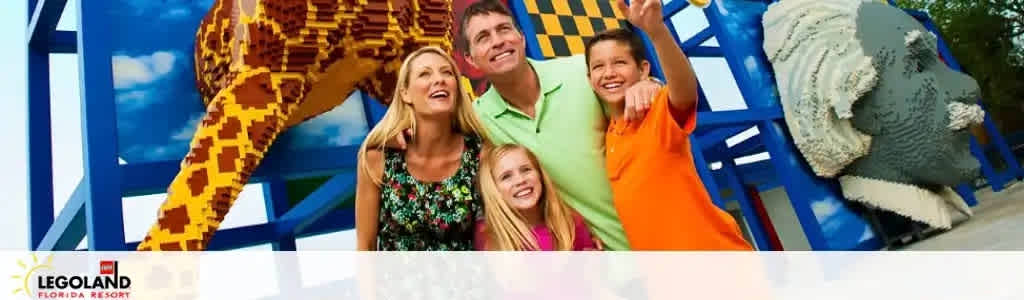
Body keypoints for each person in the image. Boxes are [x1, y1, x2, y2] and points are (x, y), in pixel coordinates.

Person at [451, 0, 663, 251]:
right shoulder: (478, 119)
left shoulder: (579, 71)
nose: (498, 41)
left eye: (504, 29)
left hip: (664, 236)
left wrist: (650, 84)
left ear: (521, 37)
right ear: (470, 59)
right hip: (604, 263)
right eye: (483, 37)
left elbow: (645, 106)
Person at [584, 0, 750, 250]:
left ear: (643, 70)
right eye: (598, 66)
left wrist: (657, 31)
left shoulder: (655, 112)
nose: (608, 73)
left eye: (619, 63)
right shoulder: (609, 133)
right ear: (589, 78)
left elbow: (683, 91)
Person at [354, 46, 491, 251]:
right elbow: (365, 246)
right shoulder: (377, 159)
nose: (439, 79)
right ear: (405, 93)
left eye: (447, 72)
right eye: (425, 74)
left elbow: (495, 235)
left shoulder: (480, 155)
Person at [474, 144, 599, 251]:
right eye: (506, 176)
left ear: (540, 175)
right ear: (494, 189)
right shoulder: (488, 238)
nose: (520, 180)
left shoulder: (570, 223)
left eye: (526, 170)